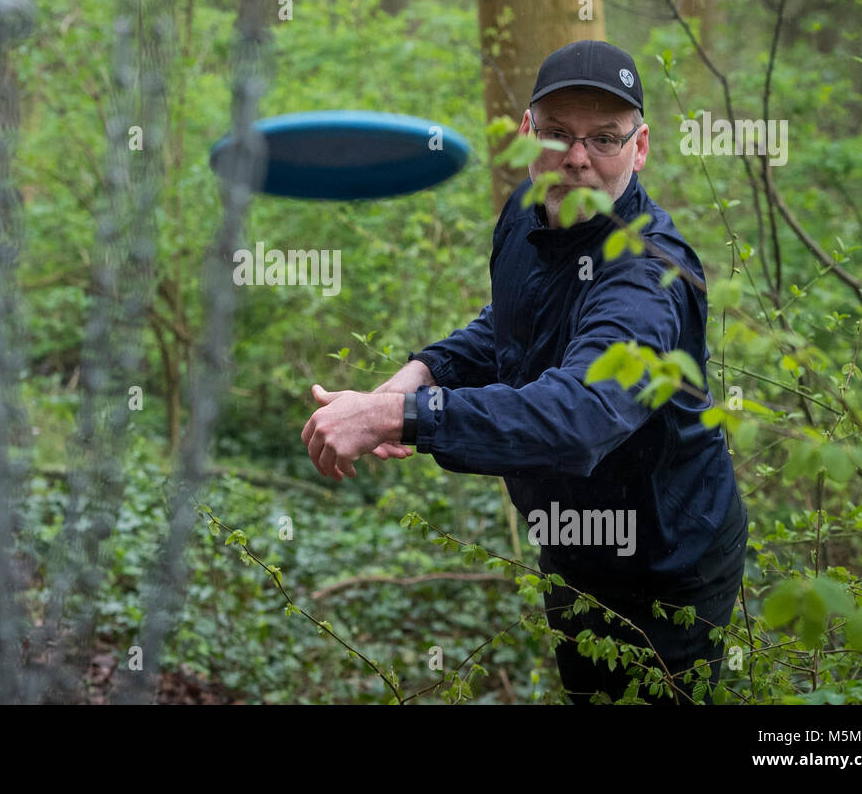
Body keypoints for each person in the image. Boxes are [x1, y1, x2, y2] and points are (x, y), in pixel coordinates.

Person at [299, 40, 748, 705]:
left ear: (641, 147)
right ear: (526, 133)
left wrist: (399, 416)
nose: (577, 157)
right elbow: (509, 322)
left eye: (604, 138)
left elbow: (580, 415)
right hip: (571, 544)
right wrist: (419, 373)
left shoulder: (650, 275)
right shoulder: (525, 212)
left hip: (668, 567)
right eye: (559, 133)